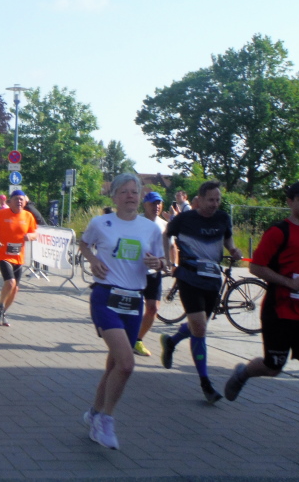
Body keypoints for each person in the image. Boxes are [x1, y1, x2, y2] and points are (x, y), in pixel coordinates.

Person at [224, 182, 299, 472]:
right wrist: (289, 283)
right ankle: (244, 372)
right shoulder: (278, 232)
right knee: (273, 367)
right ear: (290, 201)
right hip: (279, 312)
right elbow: (256, 267)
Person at [79, 173, 164, 449]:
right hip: (106, 296)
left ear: (140, 197)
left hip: (134, 300)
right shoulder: (101, 223)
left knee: (114, 365)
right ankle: (105, 420)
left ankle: (94, 413)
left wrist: (157, 264)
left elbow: (161, 261)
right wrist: (93, 260)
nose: (130, 196)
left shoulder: (151, 229)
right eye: (124, 192)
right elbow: (83, 244)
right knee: (126, 364)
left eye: (134, 192)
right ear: (114, 196)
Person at [160, 180, 243, 403]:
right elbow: (166, 235)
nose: (215, 204)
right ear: (200, 199)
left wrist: (233, 249)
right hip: (189, 277)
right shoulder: (185, 219)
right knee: (200, 329)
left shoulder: (223, 218)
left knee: (199, 326)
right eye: (211, 200)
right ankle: (205, 383)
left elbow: (228, 238)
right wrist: (168, 261)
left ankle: (171, 342)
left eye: (218, 200)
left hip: (212, 280)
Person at [0, 190, 38, 326]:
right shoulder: (2, 214)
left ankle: (3, 312)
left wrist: (30, 236)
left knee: (15, 289)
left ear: (25, 202)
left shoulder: (28, 216)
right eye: (16, 199)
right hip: (3, 254)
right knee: (10, 282)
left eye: (21, 199)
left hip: (18, 257)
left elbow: (35, 233)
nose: (19, 201)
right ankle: (0, 306)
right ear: (10, 201)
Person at [133, 191, 168, 357]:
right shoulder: (135, 222)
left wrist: (168, 264)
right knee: (132, 307)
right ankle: (124, 336)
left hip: (154, 271)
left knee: (153, 308)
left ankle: (137, 340)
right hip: (134, 271)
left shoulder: (164, 225)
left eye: (159, 203)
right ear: (145, 205)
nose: (157, 206)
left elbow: (171, 247)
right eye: (153, 203)